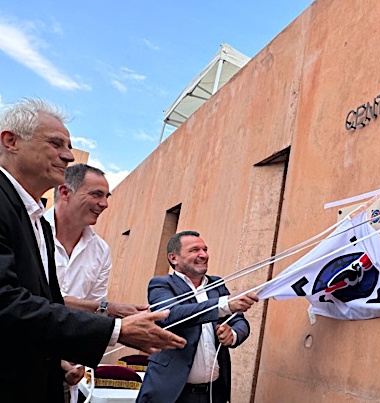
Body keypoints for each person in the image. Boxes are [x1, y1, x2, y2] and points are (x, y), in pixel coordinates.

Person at [0, 98, 186, 402]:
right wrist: (115, 328)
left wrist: (63, 357)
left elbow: (44, 305)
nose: (68, 155)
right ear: (11, 141)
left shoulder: (37, 224)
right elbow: (8, 305)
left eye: (70, 146)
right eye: (56, 143)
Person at [45, 163, 149, 402]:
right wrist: (109, 310)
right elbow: (33, 300)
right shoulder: (30, 230)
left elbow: (91, 315)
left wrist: (76, 361)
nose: (104, 204)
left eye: (106, 196)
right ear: (64, 192)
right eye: (96, 194)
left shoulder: (101, 250)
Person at [137, 231, 259, 403]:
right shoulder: (161, 284)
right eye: (194, 250)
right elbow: (170, 314)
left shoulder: (217, 285)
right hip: (171, 393)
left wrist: (233, 335)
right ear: (174, 258)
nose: (203, 255)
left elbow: (239, 320)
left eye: (205, 249)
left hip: (212, 393)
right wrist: (223, 305)